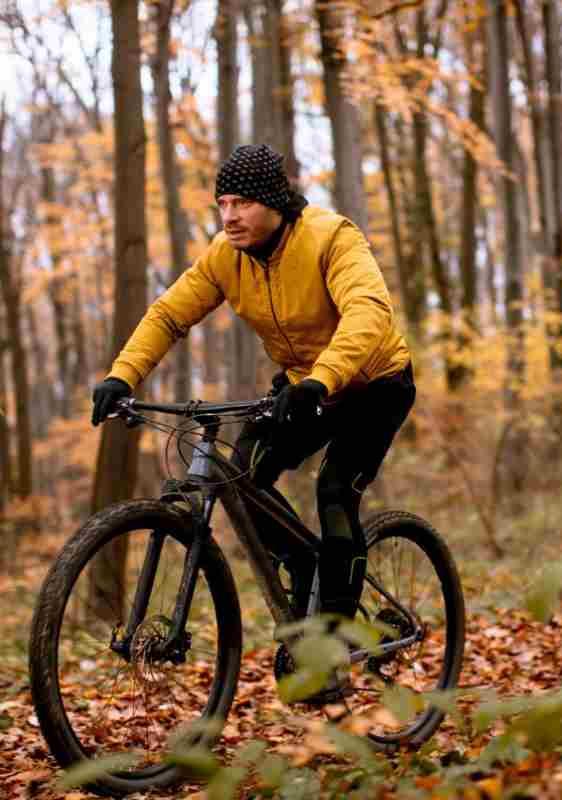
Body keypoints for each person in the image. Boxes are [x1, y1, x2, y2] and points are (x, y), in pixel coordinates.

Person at [90, 143, 415, 635]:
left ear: (275, 204)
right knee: (239, 477)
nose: (229, 216)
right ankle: (304, 563)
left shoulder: (332, 238)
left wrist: (320, 382)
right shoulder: (227, 257)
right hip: (305, 386)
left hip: (374, 384)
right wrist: (122, 376)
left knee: (334, 490)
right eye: (222, 204)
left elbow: (369, 312)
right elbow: (168, 314)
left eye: (241, 203)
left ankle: (334, 641)